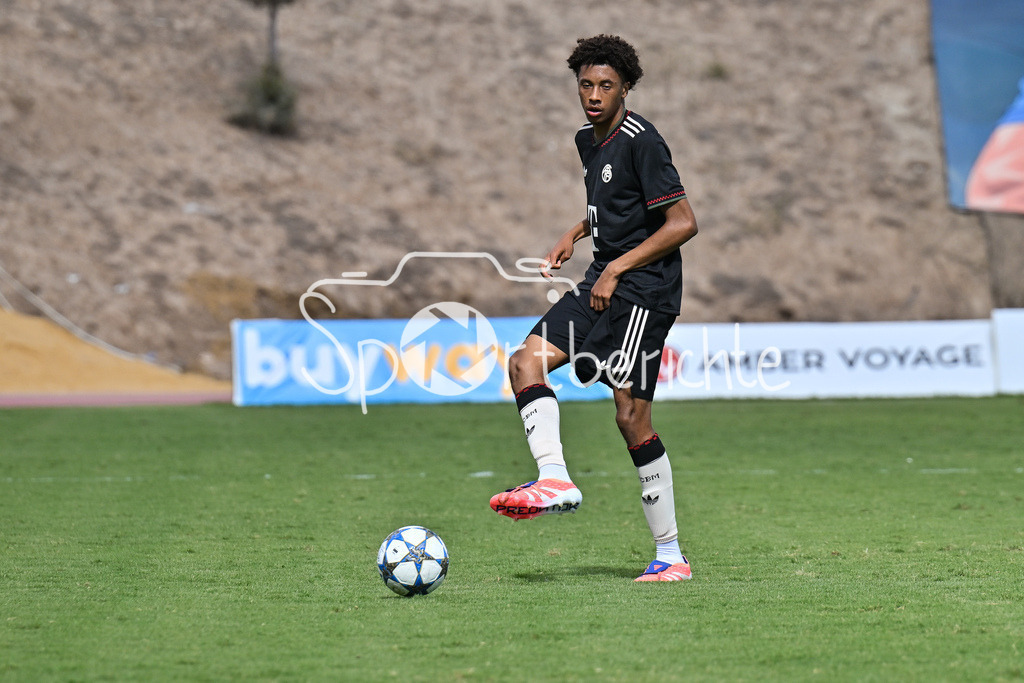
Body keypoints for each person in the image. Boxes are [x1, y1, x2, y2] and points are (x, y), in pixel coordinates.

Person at [489, 34, 699, 582]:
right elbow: (613, 202)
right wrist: (576, 232)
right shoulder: (588, 140)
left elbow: (682, 224)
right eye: (586, 84)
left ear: (626, 87)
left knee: (631, 416)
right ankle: (554, 477)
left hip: (644, 291)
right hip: (601, 279)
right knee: (524, 362)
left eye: (606, 85)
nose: (594, 95)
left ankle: (671, 557)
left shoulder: (643, 140)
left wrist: (614, 268)